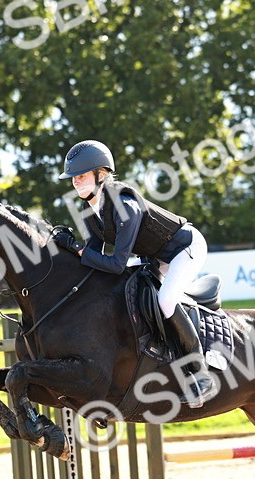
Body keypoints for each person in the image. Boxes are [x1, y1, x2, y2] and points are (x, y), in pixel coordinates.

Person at [51, 140, 214, 408]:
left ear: (100, 174)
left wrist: (80, 251)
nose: (75, 182)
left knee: (165, 301)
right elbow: (92, 254)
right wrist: (69, 253)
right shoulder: (88, 210)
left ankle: (200, 373)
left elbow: (115, 264)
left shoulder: (124, 204)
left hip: (184, 249)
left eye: (80, 176)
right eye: (73, 178)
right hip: (157, 258)